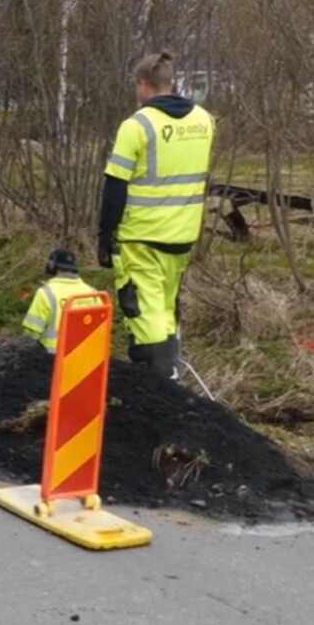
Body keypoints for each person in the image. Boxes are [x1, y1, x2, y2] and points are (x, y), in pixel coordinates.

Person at [97, 50, 215, 382]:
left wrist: (105, 237)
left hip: (141, 235)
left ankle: (159, 383)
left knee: (142, 309)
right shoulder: (204, 121)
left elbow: (115, 186)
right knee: (165, 305)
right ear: (172, 83)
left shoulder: (137, 126)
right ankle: (171, 368)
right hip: (183, 234)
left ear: (142, 84)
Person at [22, 248, 102, 354]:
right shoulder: (92, 293)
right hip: (85, 359)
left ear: (52, 266)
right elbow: (101, 330)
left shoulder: (46, 293)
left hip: (54, 359)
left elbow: (32, 332)